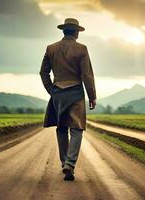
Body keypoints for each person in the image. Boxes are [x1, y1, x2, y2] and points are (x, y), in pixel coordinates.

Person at [40, 18, 96, 181]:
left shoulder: (51, 48)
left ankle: (64, 162)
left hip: (57, 92)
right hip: (76, 92)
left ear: (64, 31)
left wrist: (51, 89)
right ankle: (70, 164)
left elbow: (43, 73)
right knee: (77, 129)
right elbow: (86, 75)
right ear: (76, 32)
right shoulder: (81, 49)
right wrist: (92, 96)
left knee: (62, 128)